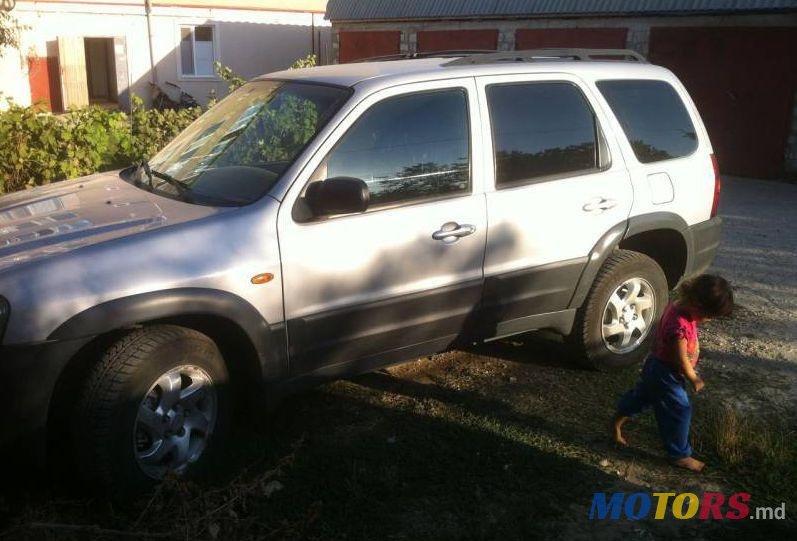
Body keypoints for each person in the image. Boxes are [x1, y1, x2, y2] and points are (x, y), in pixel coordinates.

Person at [612, 274, 734, 472]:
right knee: (680, 410)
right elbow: (681, 357)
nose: (709, 320)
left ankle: (615, 423)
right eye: (708, 315)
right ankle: (679, 455)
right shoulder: (679, 326)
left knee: (641, 398)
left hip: (656, 367)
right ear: (696, 303)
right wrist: (693, 377)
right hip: (666, 373)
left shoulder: (679, 306)